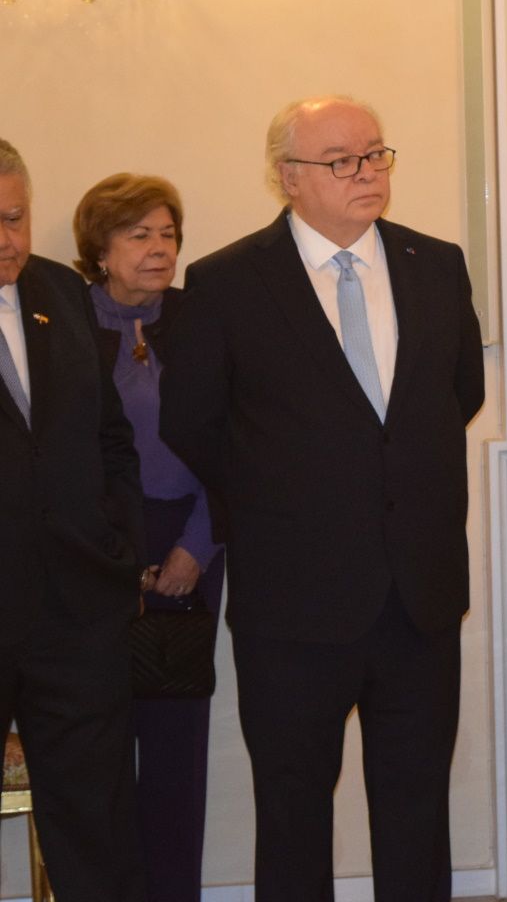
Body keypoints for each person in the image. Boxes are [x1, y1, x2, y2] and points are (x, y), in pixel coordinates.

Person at [159, 96, 485, 900]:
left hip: (418, 595)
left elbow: (457, 395)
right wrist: (288, 497)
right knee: (293, 810)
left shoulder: (436, 264)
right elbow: (192, 423)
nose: (367, 172)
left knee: (416, 807)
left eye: (376, 153)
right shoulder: (226, 282)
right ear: (288, 178)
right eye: (342, 160)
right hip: (292, 601)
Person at [0, 139, 146, 900]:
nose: (7, 239)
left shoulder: (58, 288)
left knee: (97, 828)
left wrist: (120, 545)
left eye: (15, 217)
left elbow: (110, 436)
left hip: (78, 610)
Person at [73, 172, 222, 902]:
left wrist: (197, 545)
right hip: (93, 551)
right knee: (94, 745)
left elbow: (239, 444)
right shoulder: (62, 321)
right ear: (100, 250)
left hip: (191, 539)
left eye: (168, 234)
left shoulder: (202, 319)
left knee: (175, 747)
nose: (160, 248)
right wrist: (110, 553)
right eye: (139, 235)